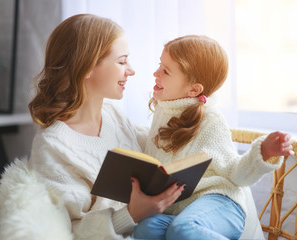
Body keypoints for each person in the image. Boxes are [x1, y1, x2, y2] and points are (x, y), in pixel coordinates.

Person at [27, 14, 185, 240]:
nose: (131, 70)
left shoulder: (112, 115)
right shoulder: (53, 146)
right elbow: (67, 232)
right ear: (86, 68)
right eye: (122, 61)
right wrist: (131, 214)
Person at [133, 35, 294, 240]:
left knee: (183, 229)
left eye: (166, 71)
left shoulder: (210, 120)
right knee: (145, 229)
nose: (155, 73)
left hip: (220, 204)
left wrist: (263, 152)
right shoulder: (164, 111)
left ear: (194, 89)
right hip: (180, 209)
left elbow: (236, 174)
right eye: (159, 65)